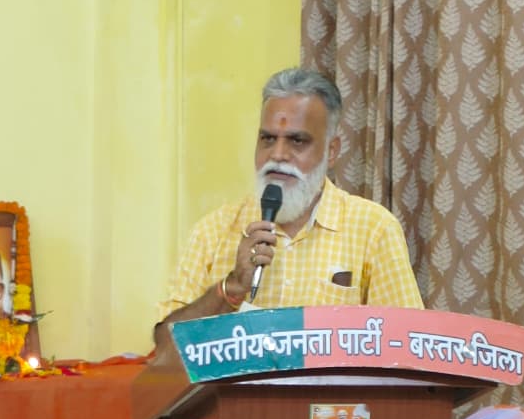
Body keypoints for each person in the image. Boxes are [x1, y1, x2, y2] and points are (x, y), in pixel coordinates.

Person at [155, 67, 422, 342]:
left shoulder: (373, 230)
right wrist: (231, 287)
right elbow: (165, 347)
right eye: (268, 139)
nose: (278, 154)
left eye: (297, 141)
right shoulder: (214, 231)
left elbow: (406, 343)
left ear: (331, 151)